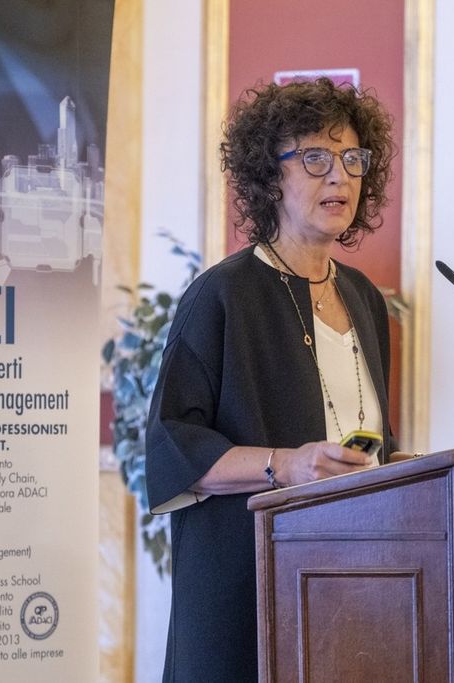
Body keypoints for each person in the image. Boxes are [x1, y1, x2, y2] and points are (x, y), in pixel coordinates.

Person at [145, 77, 397, 681]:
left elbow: (367, 433)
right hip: (244, 587)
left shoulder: (364, 298)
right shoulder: (221, 295)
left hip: (348, 582)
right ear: (269, 176)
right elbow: (173, 449)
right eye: (316, 159)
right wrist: (287, 465)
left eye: (352, 160)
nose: (340, 177)